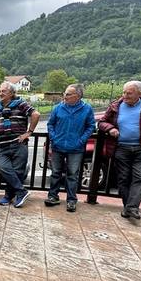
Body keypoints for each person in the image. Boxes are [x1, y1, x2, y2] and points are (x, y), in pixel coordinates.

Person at [98, 80, 141, 219]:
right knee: (123, 178)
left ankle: (132, 207)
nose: (125, 95)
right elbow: (102, 122)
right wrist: (110, 128)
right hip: (121, 147)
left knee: (140, 178)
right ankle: (128, 207)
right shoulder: (116, 105)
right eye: (124, 92)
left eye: (129, 93)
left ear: (139, 93)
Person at [0, 82, 40, 208]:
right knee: (3, 168)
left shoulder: (21, 104)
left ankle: (8, 196)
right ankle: (22, 192)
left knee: (17, 172)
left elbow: (36, 114)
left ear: (11, 93)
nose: (0, 93)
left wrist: (29, 132)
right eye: (0, 91)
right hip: (3, 146)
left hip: (18, 144)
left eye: (4, 91)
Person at [45, 84, 95, 212]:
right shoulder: (58, 108)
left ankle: (71, 200)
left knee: (73, 175)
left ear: (77, 96)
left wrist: (81, 140)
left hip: (76, 148)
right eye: (65, 93)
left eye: (68, 94)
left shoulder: (87, 109)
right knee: (55, 173)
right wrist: (54, 138)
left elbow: (91, 126)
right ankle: (52, 196)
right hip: (58, 146)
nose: (64, 96)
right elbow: (50, 124)